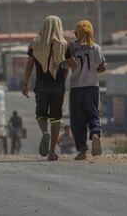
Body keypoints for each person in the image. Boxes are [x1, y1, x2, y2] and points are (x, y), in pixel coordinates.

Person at [21, 15, 79, 161]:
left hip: (41, 85)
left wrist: (25, 83)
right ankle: (52, 151)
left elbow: (29, 66)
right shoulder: (64, 45)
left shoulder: (35, 43)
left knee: (41, 114)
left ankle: (44, 132)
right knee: (56, 118)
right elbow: (73, 65)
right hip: (58, 86)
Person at [69, 20, 107, 159]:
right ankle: (96, 133)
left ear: (76, 33)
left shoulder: (72, 47)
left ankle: (82, 149)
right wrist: (94, 71)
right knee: (93, 112)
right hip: (92, 86)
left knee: (77, 118)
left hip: (76, 87)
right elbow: (103, 67)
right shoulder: (95, 47)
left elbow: (67, 65)